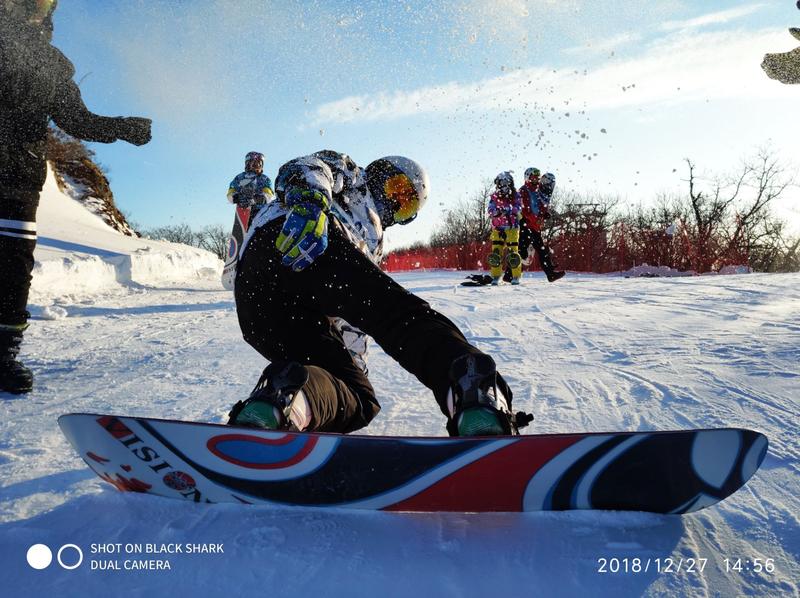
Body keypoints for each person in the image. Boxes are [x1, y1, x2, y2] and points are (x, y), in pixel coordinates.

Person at [228, 150, 531, 436]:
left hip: (259, 302)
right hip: (298, 236)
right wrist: (310, 200)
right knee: (401, 319)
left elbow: (352, 316)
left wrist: (352, 366)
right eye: (396, 188)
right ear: (379, 173)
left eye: (405, 205)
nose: (394, 202)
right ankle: (476, 395)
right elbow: (307, 166)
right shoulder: (354, 177)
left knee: (358, 397)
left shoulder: (373, 243)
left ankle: (281, 407)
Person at [0, 0, 152, 394]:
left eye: (42, 2)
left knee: (12, 267)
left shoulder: (52, 63)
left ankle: (3, 355)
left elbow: (77, 119)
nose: (32, 8)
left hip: (18, 178)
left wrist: (122, 127)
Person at [509, 167, 565, 283]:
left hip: (534, 226)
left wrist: (544, 214)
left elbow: (538, 207)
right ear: (527, 178)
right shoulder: (524, 190)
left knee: (538, 250)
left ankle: (550, 274)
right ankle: (509, 274)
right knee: (525, 251)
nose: (536, 180)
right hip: (526, 225)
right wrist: (530, 219)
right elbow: (524, 209)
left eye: (537, 178)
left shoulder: (537, 191)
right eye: (533, 178)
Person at [487, 171, 523, 285]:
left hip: (512, 228)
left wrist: (507, 210)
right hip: (497, 228)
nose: (504, 185)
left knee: (513, 253)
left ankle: (516, 276)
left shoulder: (516, 195)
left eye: (506, 182)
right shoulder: (494, 196)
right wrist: (496, 212)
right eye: (502, 182)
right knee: (496, 253)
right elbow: (490, 209)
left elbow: (518, 207)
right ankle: (496, 275)